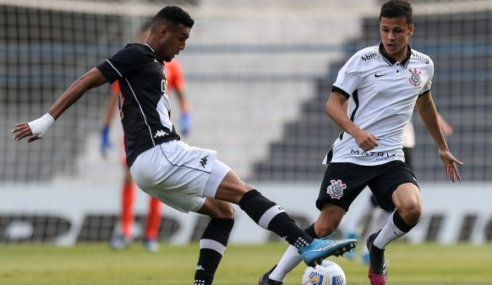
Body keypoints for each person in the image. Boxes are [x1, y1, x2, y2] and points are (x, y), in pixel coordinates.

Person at [11, 6, 357, 285]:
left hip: (147, 167)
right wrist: (47, 120)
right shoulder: (137, 52)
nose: (183, 45)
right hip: (160, 153)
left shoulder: (153, 64)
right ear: (162, 32)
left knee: (223, 212)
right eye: (181, 37)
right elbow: (89, 78)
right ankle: (305, 245)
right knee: (242, 190)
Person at [257, 1, 463, 285]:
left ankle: (376, 245)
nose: (390, 37)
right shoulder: (362, 61)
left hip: (390, 155)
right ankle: (274, 277)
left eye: (397, 31)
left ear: (410, 30)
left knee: (412, 208)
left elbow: (426, 105)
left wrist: (442, 147)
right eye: (385, 30)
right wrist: (356, 131)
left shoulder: (423, 65)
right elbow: (333, 104)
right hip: (352, 153)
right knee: (327, 225)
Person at [100, 22, 192, 252]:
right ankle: (125, 232)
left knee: (157, 181)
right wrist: (105, 128)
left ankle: (150, 236)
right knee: (129, 178)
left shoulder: (171, 64)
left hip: (159, 131)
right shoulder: (130, 62)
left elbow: (181, 92)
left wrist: (187, 115)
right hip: (133, 131)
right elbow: (114, 97)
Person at [343, 116, 454, 264]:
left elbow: (423, 102)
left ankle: (360, 241)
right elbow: (423, 103)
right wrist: (439, 122)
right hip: (397, 142)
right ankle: (359, 238)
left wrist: (439, 121)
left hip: (389, 141)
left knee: (386, 199)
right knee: (391, 196)